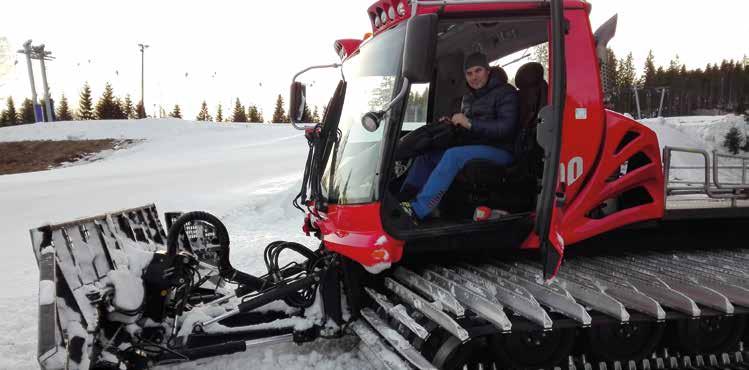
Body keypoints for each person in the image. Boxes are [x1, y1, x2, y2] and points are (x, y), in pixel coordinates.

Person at [400, 51, 520, 221]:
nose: (474, 77)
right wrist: (452, 124)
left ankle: (417, 211)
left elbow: (506, 128)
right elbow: (468, 130)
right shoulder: (469, 98)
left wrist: (469, 123)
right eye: (469, 73)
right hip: (475, 147)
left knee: (453, 156)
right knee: (427, 156)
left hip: (502, 150)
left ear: (488, 71)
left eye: (478, 71)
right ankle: (403, 200)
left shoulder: (506, 92)